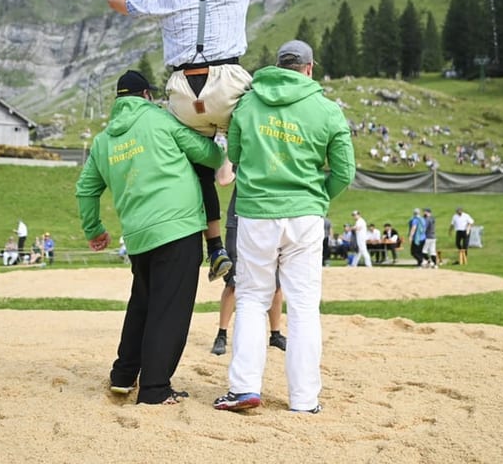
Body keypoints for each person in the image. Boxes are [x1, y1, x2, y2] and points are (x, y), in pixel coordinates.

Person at [101, 0, 270, 282]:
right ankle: (236, 164)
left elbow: (118, 0)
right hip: (227, 84)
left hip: (184, 93)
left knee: (199, 169)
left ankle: (215, 247)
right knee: (255, 120)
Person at [214, 40, 355, 412]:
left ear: (278, 66)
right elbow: (344, 171)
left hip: (256, 212)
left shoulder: (248, 104)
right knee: (305, 306)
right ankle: (305, 399)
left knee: (251, 299)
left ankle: (244, 388)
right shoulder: (326, 109)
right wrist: (318, 197)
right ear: (309, 68)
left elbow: (237, 156)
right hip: (305, 215)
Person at [76, 69, 224, 405]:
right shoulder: (159, 120)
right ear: (146, 96)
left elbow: (85, 190)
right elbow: (210, 157)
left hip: (139, 235)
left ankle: (124, 375)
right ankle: (156, 389)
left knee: (142, 304)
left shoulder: (102, 141)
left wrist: (94, 229)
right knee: (169, 310)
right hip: (178, 227)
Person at [211, 189, 287, 357]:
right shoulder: (238, 161)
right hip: (239, 219)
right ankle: (221, 334)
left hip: (270, 219)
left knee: (275, 281)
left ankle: (275, 334)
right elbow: (223, 180)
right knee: (233, 280)